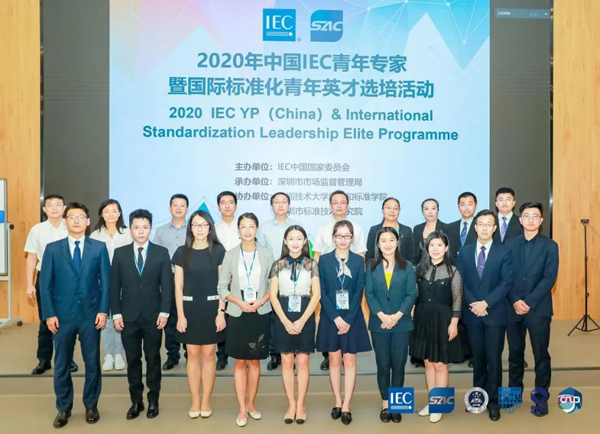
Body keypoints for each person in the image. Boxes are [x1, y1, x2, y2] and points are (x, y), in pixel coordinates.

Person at [39, 202, 110, 428]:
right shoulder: (53, 249)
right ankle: (64, 407)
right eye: (72, 217)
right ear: (65, 221)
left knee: (92, 363)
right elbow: (45, 285)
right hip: (62, 316)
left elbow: (106, 283)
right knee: (61, 364)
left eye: (81, 217)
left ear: (88, 221)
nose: (76, 221)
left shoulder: (99, 248)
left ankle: (91, 405)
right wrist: (49, 314)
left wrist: (103, 310)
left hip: (91, 315)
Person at [110, 209, 173, 420]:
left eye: (145, 227)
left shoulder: (161, 253)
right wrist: (116, 314)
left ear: (150, 229)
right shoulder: (120, 253)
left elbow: (167, 286)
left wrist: (164, 312)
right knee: (133, 360)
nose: (140, 231)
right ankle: (136, 401)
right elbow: (114, 287)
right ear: (130, 229)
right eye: (136, 227)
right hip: (128, 317)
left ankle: (154, 400)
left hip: (154, 317)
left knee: (153, 359)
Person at [217, 213, 274, 427]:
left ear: (257, 229)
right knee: (240, 362)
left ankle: (251, 404)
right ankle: (242, 407)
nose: (247, 230)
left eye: (251, 226)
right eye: (243, 226)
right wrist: (239, 303)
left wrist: (261, 301)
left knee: (255, 361)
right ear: (238, 230)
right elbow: (222, 286)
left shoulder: (267, 253)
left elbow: (273, 284)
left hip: (260, 311)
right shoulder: (231, 254)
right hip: (238, 312)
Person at [456, 210, 513, 422]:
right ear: (475, 227)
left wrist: (486, 303)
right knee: (478, 358)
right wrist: (474, 304)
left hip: (494, 313)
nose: (485, 228)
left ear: (495, 228)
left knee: (494, 359)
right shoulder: (465, 251)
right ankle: (478, 398)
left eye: (489, 224)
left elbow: (506, 283)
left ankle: (494, 403)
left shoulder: (504, 251)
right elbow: (460, 281)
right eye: (481, 224)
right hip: (473, 314)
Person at [316, 220, 371, 426]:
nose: (343, 239)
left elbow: (359, 291)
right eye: (339, 236)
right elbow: (321, 291)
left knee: (349, 361)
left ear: (352, 238)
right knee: (333, 360)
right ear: (333, 237)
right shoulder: (324, 260)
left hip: (352, 317)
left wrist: (347, 319)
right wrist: (336, 317)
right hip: (331, 317)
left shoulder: (358, 261)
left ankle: (347, 404)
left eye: (347, 236)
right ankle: (337, 401)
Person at [173, 210, 226, 419]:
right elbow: (178, 287)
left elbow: (223, 285)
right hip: (189, 309)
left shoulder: (219, 251)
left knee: (209, 354)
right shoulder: (181, 252)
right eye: (195, 225)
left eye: (204, 225)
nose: (200, 229)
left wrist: (221, 312)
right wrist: (180, 315)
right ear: (190, 228)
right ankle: (195, 400)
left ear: (210, 227)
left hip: (212, 309)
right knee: (193, 355)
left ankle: (206, 401)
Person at [507, 202, 559, 416]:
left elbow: (549, 278)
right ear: (520, 220)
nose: (530, 220)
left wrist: (528, 302)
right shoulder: (510, 244)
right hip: (513, 308)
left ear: (541, 220)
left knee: (540, 355)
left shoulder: (550, 246)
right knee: (514, 354)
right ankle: (513, 396)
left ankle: (541, 399)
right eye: (526, 216)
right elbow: (506, 276)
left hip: (538, 309)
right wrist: (515, 300)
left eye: (535, 216)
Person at [410, 231, 464, 423]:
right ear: (427, 248)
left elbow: (457, 299)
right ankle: (432, 402)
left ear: (446, 248)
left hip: (444, 320)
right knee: (428, 363)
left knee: (440, 364)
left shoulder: (453, 271)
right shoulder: (418, 269)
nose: (435, 249)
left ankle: (439, 405)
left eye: (439, 245)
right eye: (432, 245)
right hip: (423, 319)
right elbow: (415, 295)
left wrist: (454, 323)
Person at [269, 225, 321, 424]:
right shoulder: (277, 265)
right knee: (287, 362)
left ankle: (301, 405)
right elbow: (273, 296)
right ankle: (291, 404)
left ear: (305, 241)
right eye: (291, 238)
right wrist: (285, 321)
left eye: (299, 238)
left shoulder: (312, 264)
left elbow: (316, 295)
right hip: (283, 316)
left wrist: (302, 320)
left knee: (303, 362)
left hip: (305, 316)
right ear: (285, 241)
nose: (295, 242)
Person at [365, 227, 416, 424]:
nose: (387, 244)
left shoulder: (407, 266)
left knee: (399, 364)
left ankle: (397, 404)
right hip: (379, 324)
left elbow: (411, 294)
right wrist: (382, 316)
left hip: (401, 323)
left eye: (391, 240)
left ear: (397, 242)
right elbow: (369, 294)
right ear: (378, 244)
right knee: (383, 364)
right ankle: (385, 404)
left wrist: (396, 316)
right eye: (383, 240)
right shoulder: (371, 266)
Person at [313, 190, 367, 371]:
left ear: (348, 206)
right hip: (329, 280)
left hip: (350, 282)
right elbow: (317, 255)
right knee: (330, 324)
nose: (339, 205)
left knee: (349, 338)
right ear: (330, 206)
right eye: (335, 202)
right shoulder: (323, 228)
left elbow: (361, 254)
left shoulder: (357, 227)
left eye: (342, 202)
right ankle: (329, 356)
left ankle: (345, 355)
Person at [24, 194, 78, 375]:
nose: (54, 208)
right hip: (45, 278)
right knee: (45, 319)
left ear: (64, 208)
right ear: (44, 209)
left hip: (69, 279)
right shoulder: (37, 230)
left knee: (67, 321)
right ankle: (44, 360)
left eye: (58, 204)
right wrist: (30, 284)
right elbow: (31, 258)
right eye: (50, 205)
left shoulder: (71, 227)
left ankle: (67, 358)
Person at [257, 192, 302, 371]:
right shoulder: (264, 228)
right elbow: (261, 253)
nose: (281, 205)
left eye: (284, 202)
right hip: (272, 277)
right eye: (277, 202)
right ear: (271, 206)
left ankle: (293, 352)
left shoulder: (297, 226)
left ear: (289, 205)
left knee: (293, 313)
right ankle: (275, 354)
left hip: (294, 277)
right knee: (274, 318)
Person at [90, 199, 132, 371]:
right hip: (102, 282)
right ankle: (108, 354)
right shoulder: (95, 235)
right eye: (107, 211)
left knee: (120, 318)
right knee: (106, 319)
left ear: (119, 213)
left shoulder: (128, 233)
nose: (111, 214)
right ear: (101, 213)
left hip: (125, 281)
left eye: (114, 211)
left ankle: (119, 353)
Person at [153, 194, 189, 370]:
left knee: (189, 314)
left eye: (182, 205)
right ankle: (172, 354)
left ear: (187, 209)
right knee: (170, 316)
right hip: (168, 277)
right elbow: (155, 255)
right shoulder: (160, 231)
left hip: (189, 278)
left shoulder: (193, 229)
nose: (179, 208)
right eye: (175, 205)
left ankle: (190, 353)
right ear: (170, 208)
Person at [214, 190, 241, 370]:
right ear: (218, 206)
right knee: (221, 314)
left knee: (239, 316)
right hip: (220, 276)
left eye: (230, 202)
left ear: (235, 205)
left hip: (242, 277)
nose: (227, 206)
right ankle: (222, 355)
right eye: (223, 202)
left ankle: (241, 352)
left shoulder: (243, 226)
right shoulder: (213, 229)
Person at [366, 197, 416, 264]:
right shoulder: (374, 230)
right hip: (378, 268)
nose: (392, 211)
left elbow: (411, 256)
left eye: (396, 208)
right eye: (388, 208)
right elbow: (369, 255)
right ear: (382, 210)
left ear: (399, 211)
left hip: (402, 268)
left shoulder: (406, 230)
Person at [446, 192, 478, 261]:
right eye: (463, 204)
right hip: (454, 265)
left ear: (476, 206)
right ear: (458, 207)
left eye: (470, 204)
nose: (466, 208)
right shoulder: (450, 227)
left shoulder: (480, 226)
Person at [413, 198, 446, 263]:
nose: (430, 212)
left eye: (433, 208)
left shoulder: (446, 228)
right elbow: (414, 251)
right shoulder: (417, 229)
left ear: (438, 210)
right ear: (422, 211)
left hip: (441, 265)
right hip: (420, 266)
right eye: (426, 209)